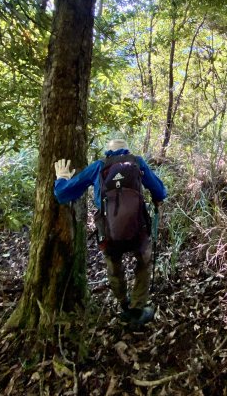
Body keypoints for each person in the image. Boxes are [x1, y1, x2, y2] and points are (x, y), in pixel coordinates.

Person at [53, 138, 166, 327]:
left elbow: (63, 194)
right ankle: (138, 307)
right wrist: (155, 198)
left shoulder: (99, 167)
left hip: (108, 233)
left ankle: (124, 305)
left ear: (108, 151)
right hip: (138, 231)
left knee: (114, 266)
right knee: (144, 263)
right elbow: (160, 192)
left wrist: (62, 178)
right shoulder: (137, 162)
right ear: (127, 149)